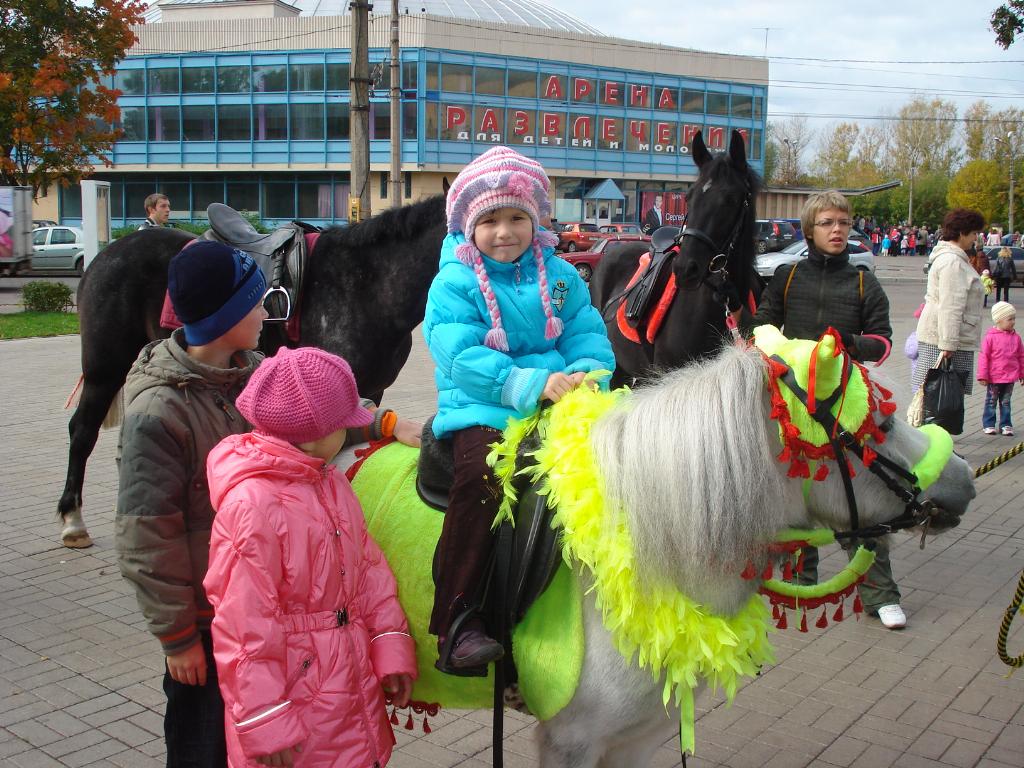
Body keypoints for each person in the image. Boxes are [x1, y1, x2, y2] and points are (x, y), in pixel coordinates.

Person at [424, 146, 614, 670]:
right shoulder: (453, 282)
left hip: (558, 399)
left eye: (516, 218)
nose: (504, 231)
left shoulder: (561, 276)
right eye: (489, 220)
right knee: (483, 481)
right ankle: (458, 619)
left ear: (536, 221)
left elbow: (585, 333)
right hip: (484, 406)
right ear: (469, 225)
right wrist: (530, 383)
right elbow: (458, 354)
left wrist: (590, 377)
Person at [203, 347, 417, 767]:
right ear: (318, 434)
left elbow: (368, 570)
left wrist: (387, 645)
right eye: (345, 425)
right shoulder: (251, 506)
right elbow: (244, 627)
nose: (349, 433)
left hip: (347, 688)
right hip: (296, 709)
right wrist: (266, 720)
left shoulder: (330, 482)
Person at [115, 241, 268, 767]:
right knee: (201, 741)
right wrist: (177, 636)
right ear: (225, 318)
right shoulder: (158, 412)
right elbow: (146, 535)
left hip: (250, 609)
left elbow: (315, 403)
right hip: (201, 624)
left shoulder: (251, 372)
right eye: (257, 302)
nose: (267, 311)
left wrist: (385, 423)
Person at [752, 190, 905, 629]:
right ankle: (801, 580)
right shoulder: (786, 275)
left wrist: (850, 346)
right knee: (799, 493)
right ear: (809, 230)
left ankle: (879, 593)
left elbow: (883, 340)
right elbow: (762, 322)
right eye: (827, 223)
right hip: (796, 404)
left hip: (847, 405)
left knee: (861, 498)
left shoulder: (862, 281)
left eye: (843, 222)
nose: (838, 230)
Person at [912, 207, 985, 408]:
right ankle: (931, 435)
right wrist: (948, 344)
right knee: (937, 397)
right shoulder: (952, 261)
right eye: (974, 233)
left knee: (941, 397)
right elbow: (950, 306)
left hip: (945, 338)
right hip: (945, 341)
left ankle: (934, 432)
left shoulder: (954, 258)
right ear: (962, 232)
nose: (976, 238)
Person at [978, 302, 1024, 436]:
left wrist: (1022, 374)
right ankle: (989, 424)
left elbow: (1021, 356)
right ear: (998, 320)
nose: (1013, 322)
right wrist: (983, 375)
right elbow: (983, 357)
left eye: (1014, 319)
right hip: (994, 377)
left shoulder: (1016, 338)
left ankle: (1006, 424)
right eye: (1010, 319)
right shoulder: (990, 337)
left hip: (1010, 377)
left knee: (1006, 402)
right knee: (991, 401)